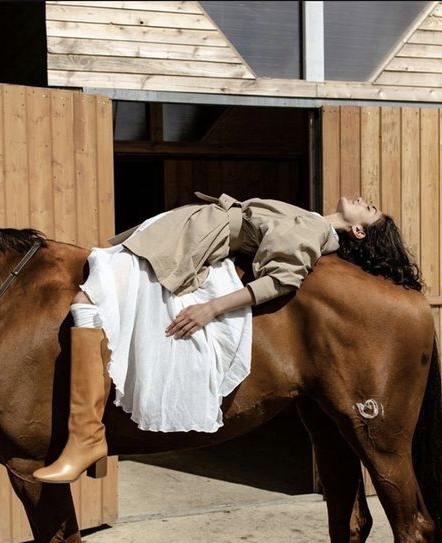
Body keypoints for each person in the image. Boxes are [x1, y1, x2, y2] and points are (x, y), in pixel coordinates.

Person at [32, 192, 419, 484]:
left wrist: (212, 308)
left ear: (357, 230)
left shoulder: (315, 230)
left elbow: (282, 280)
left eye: (369, 209)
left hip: (191, 243)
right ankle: (87, 433)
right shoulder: (311, 218)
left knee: (89, 299)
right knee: (96, 294)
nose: (364, 199)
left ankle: (86, 436)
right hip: (182, 235)